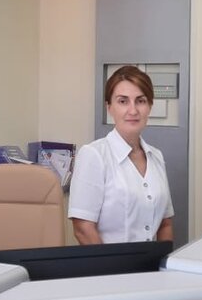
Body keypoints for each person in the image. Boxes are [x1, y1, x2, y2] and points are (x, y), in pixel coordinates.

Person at [68, 65, 174, 244]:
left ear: (150, 106)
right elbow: (83, 229)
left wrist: (162, 260)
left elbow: (165, 223)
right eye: (123, 101)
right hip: (111, 261)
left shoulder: (156, 156)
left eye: (140, 101)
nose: (133, 110)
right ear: (109, 107)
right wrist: (112, 262)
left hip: (153, 262)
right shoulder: (93, 155)